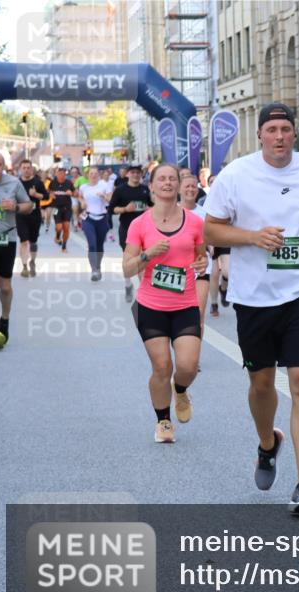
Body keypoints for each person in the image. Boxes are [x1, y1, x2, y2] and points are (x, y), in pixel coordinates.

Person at [203, 102, 299, 515]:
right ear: (261, 135)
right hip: (253, 297)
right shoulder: (237, 174)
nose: (279, 136)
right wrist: (251, 236)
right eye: (272, 129)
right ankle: (268, 444)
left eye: (286, 128)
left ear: (294, 134)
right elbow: (211, 228)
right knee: (262, 384)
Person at [122, 164, 207, 443]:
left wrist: (202, 261)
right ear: (152, 187)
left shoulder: (194, 222)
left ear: (180, 185)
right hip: (151, 306)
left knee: (188, 366)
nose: (168, 183)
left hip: (185, 305)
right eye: (162, 179)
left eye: (173, 178)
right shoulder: (140, 224)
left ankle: (180, 390)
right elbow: (127, 269)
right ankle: (164, 422)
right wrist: (147, 255)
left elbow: (201, 256)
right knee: (161, 367)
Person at [0, 150, 33, 350]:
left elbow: (29, 206)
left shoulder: (13, 183)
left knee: (5, 287)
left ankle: (4, 320)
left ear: (4, 166)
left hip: (7, 239)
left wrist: (15, 208)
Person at [110, 165, 153, 302]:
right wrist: (125, 209)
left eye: (138, 173)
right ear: (128, 174)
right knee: (128, 260)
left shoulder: (145, 189)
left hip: (144, 229)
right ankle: (128, 284)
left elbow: (153, 206)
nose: (135, 175)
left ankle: (143, 291)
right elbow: (112, 209)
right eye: (133, 172)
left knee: (143, 259)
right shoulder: (120, 190)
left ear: (141, 175)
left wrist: (149, 209)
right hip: (127, 228)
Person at [179, 173, 212, 333]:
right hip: (178, 270)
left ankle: (192, 355)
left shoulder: (205, 214)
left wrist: (211, 245)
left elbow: (212, 237)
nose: (191, 189)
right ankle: (181, 348)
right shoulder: (172, 212)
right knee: (178, 315)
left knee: (198, 313)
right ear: (179, 189)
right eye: (187, 186)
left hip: (202, 268)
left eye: (194, 186)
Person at [77, 166, 114, 281]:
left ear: (99, 175)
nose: (93, 175)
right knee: (92, 244)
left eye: (95, 173)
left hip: (102, 218)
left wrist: (103, 196)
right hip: (88, 218)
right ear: (87, 175)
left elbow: (111, 200)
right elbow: (80, 196)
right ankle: (94, 270)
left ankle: (98, 266)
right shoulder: (83, 187)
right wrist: (82, 202)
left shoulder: (104, 185)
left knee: (99, 245)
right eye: (91, 173)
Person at [16, 159, 48, 278]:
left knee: (33, 241)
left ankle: (32, 261)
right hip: (20, 215)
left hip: (34, 215)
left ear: (32, 169)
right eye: (24, 168)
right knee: (23, 240)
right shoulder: (16, 183)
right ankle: (24, 266)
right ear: (20, 169)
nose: (26, 170)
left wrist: (35, 195)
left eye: (28, 167)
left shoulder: (37, 182)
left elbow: (46, 196)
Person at [48, 167, 75, 253]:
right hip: (56, 208)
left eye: (63, 174)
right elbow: (48, 191)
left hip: (67, 208)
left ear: (65, 175)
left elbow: (75, 193)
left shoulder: (69, 183)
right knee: (59, 227)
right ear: (56, 174)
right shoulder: (52, 183)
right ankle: (57, 237)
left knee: (66, 227)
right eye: (59, 173)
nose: (61, 175)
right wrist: (51, 194)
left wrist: (71, 193)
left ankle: (64, 246)